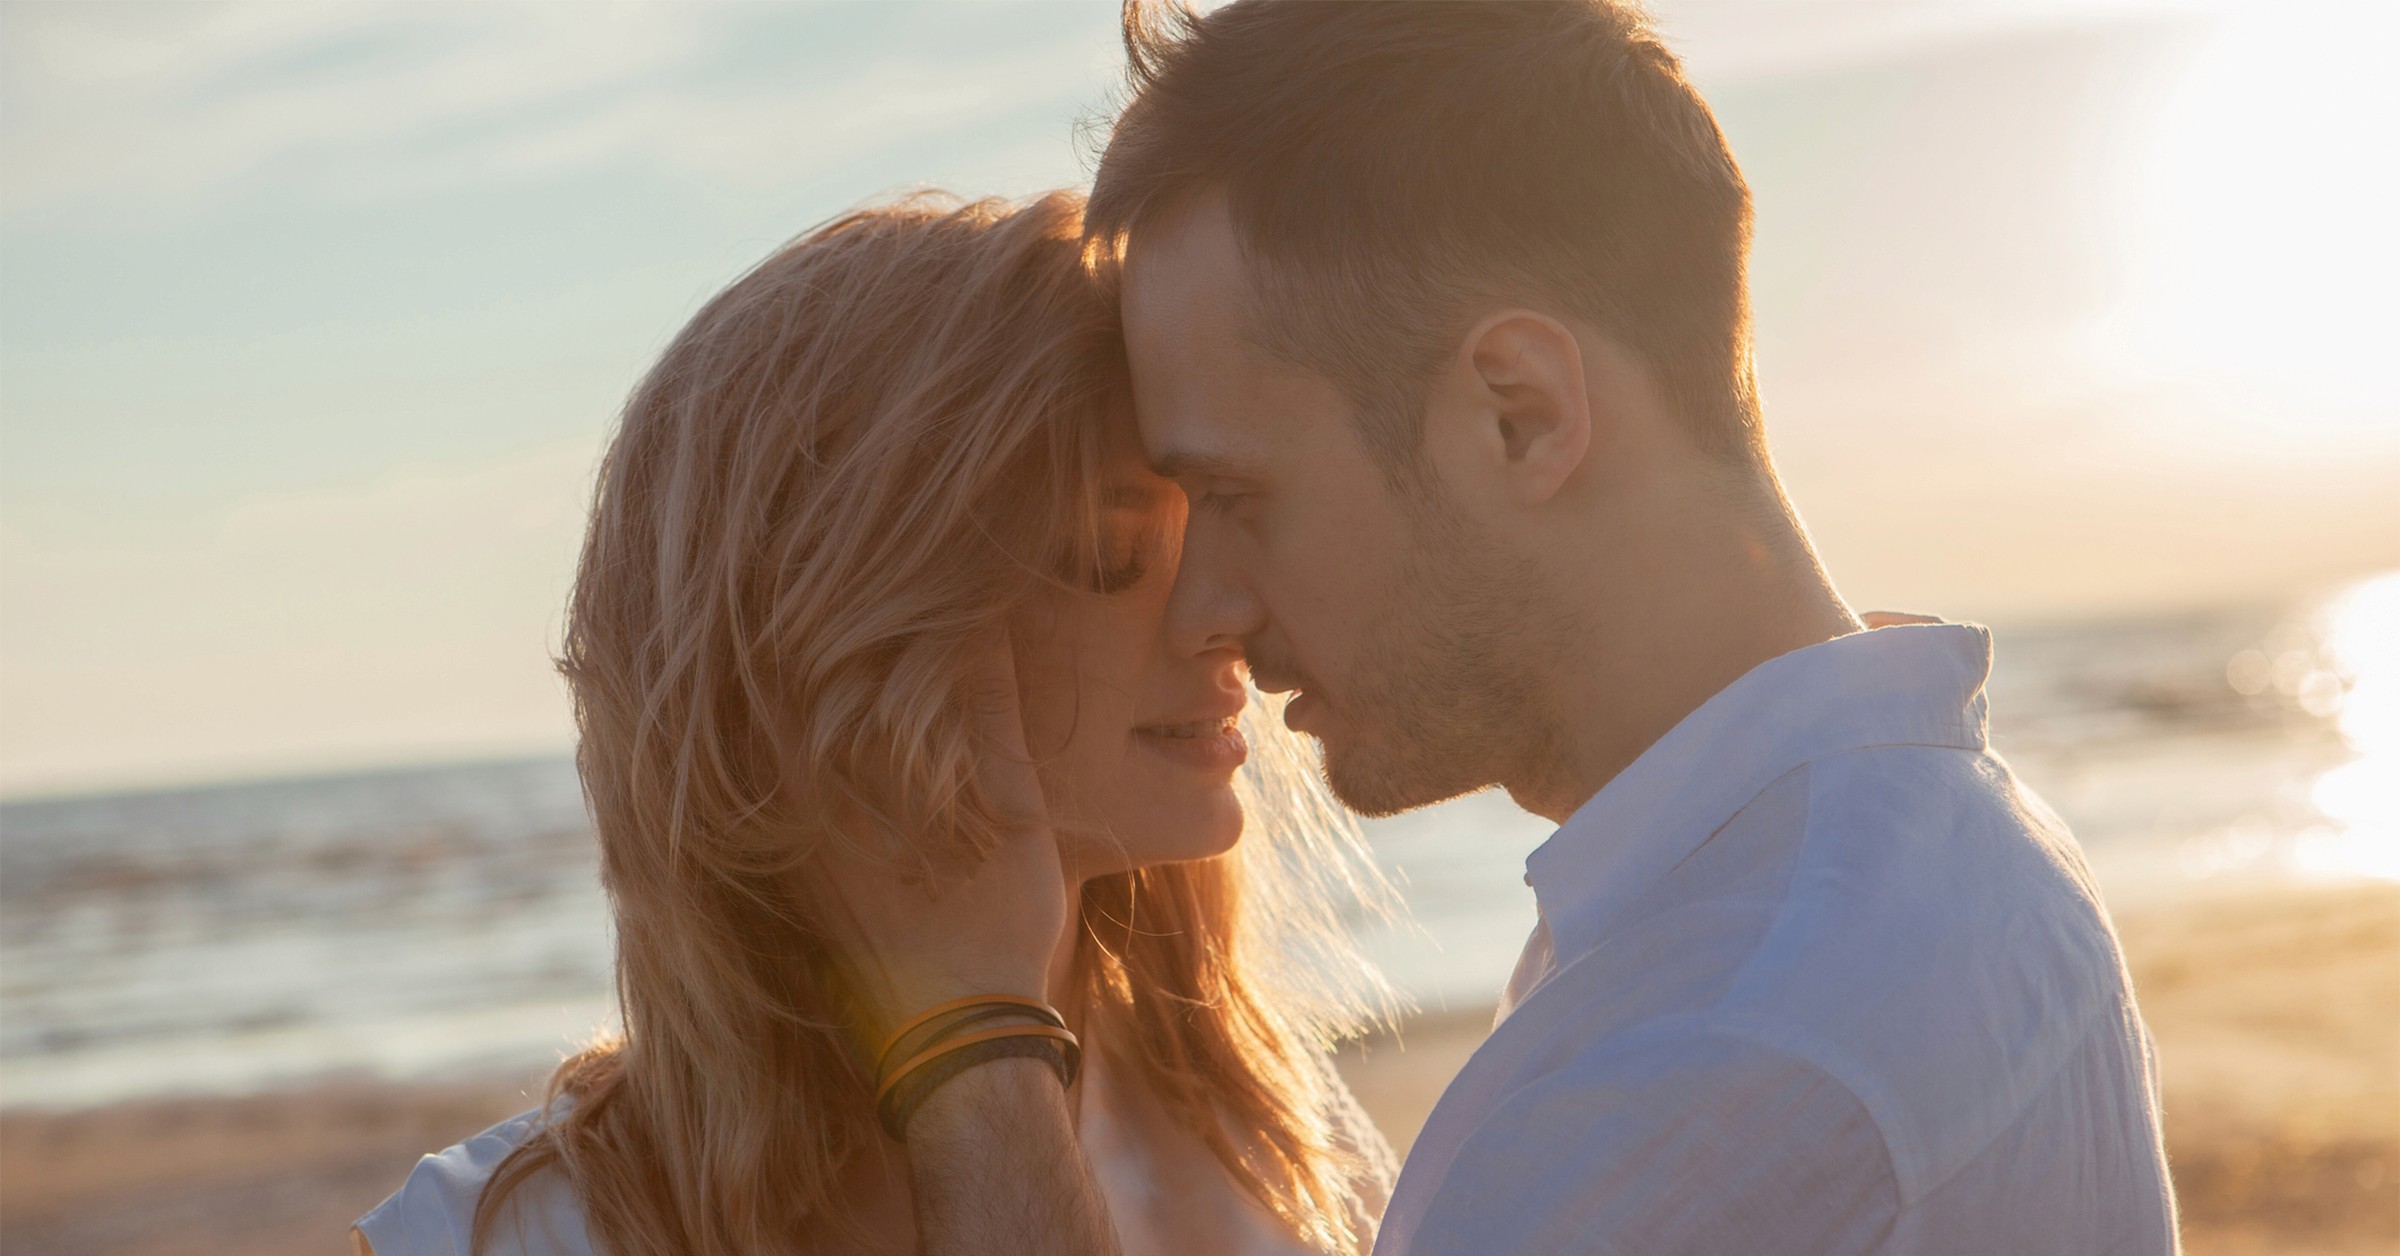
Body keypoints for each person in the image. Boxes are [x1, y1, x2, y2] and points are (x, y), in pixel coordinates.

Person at [894, 2, 2182, 1253]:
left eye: (1236, 495)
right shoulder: (1929, 843)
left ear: (1520, 413)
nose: (1210, 607)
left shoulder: (1708, 1059)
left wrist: (970, 1044)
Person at [351, 192, 1399, 1256]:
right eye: (1107, 551)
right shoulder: (490, 1237)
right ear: (839, 644)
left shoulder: (1285, 1152)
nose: (1224, 614)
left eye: (1221, 524)